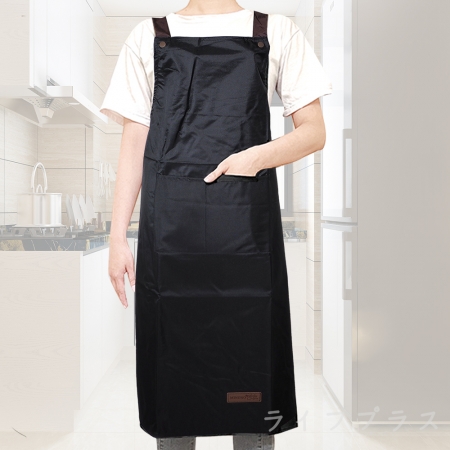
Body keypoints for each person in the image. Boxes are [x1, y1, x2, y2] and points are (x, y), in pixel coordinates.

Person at [101, 1, 332, 449]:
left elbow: (314, 131)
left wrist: (254, 157)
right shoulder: (148, 35)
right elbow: (134, 141)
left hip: (246, 237)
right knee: (173, 386)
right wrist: (117, 237)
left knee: (251, 379)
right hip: (170, 238)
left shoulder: (276, 31)